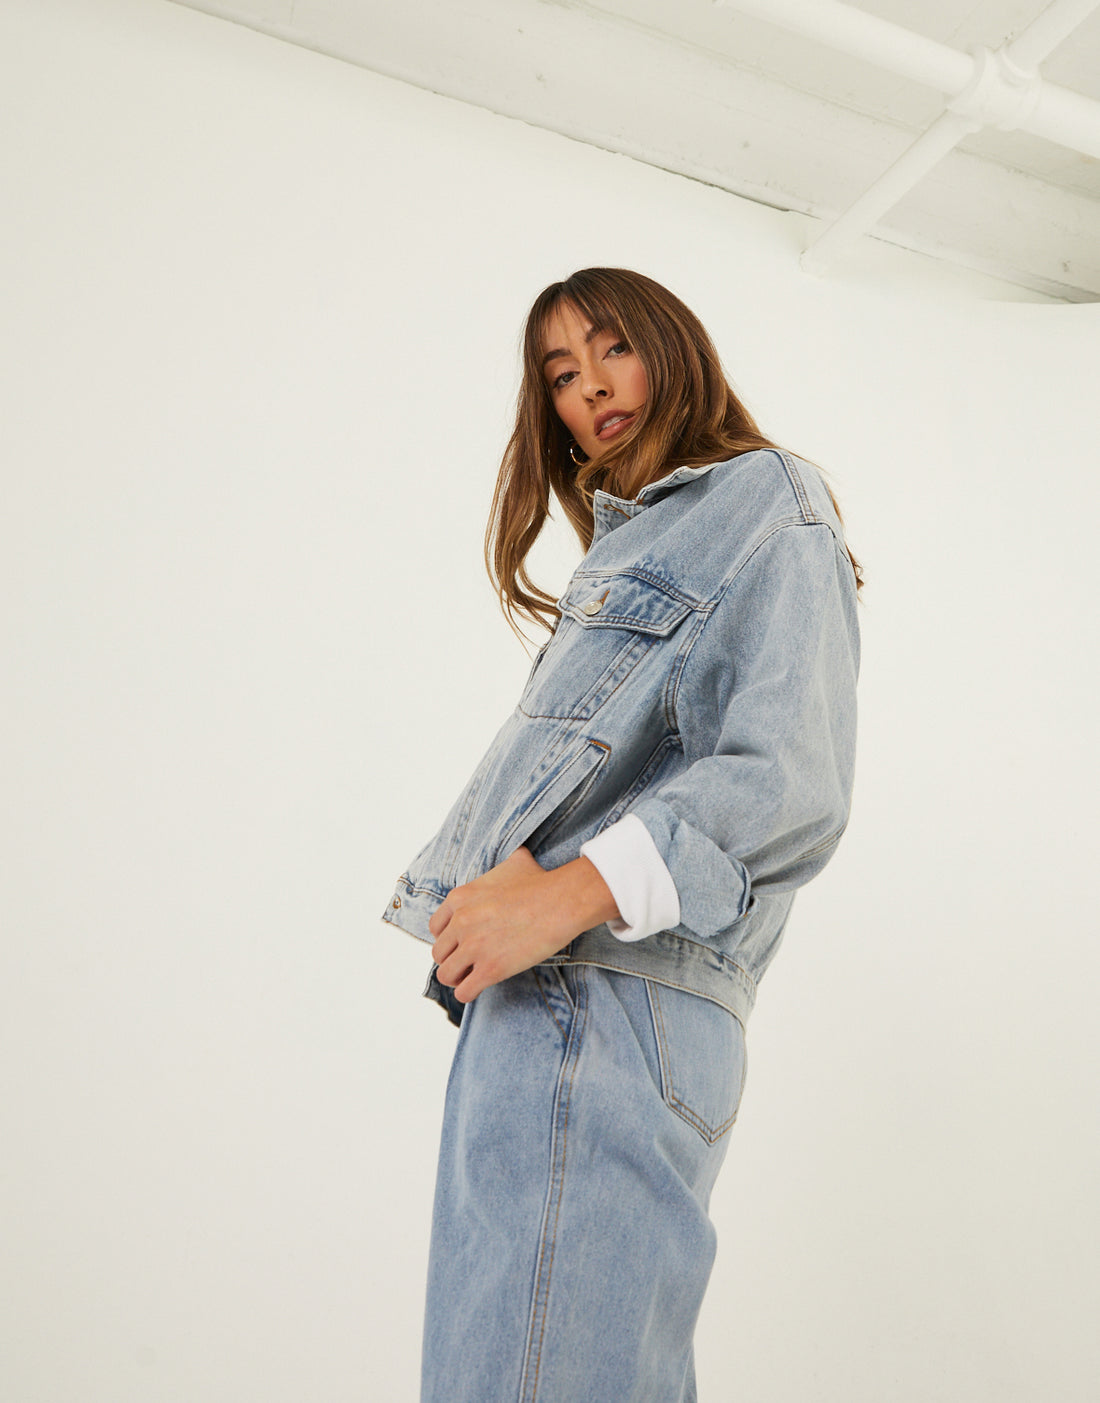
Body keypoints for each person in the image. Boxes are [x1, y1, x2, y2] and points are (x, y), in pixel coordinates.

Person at [381, 267, 862, 1403]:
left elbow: (788, 776)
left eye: (612, 348)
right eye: (560, 374)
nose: (590, 386)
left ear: (673, 347)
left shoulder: (766, 496)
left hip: (602, 996)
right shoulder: (627, 547)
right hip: (551, 1007)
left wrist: (566, 893)